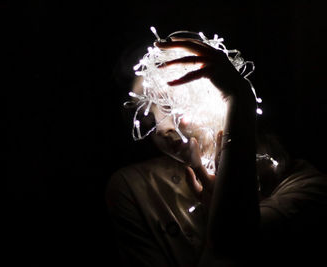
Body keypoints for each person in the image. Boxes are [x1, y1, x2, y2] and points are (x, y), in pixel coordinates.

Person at [106, 36, 327, 266]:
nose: (162, 128)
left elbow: (234, 244)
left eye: (169, 105)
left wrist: (241, 98)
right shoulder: (134, 187)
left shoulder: (307, 186)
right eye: (147, 114)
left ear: (220, 98)